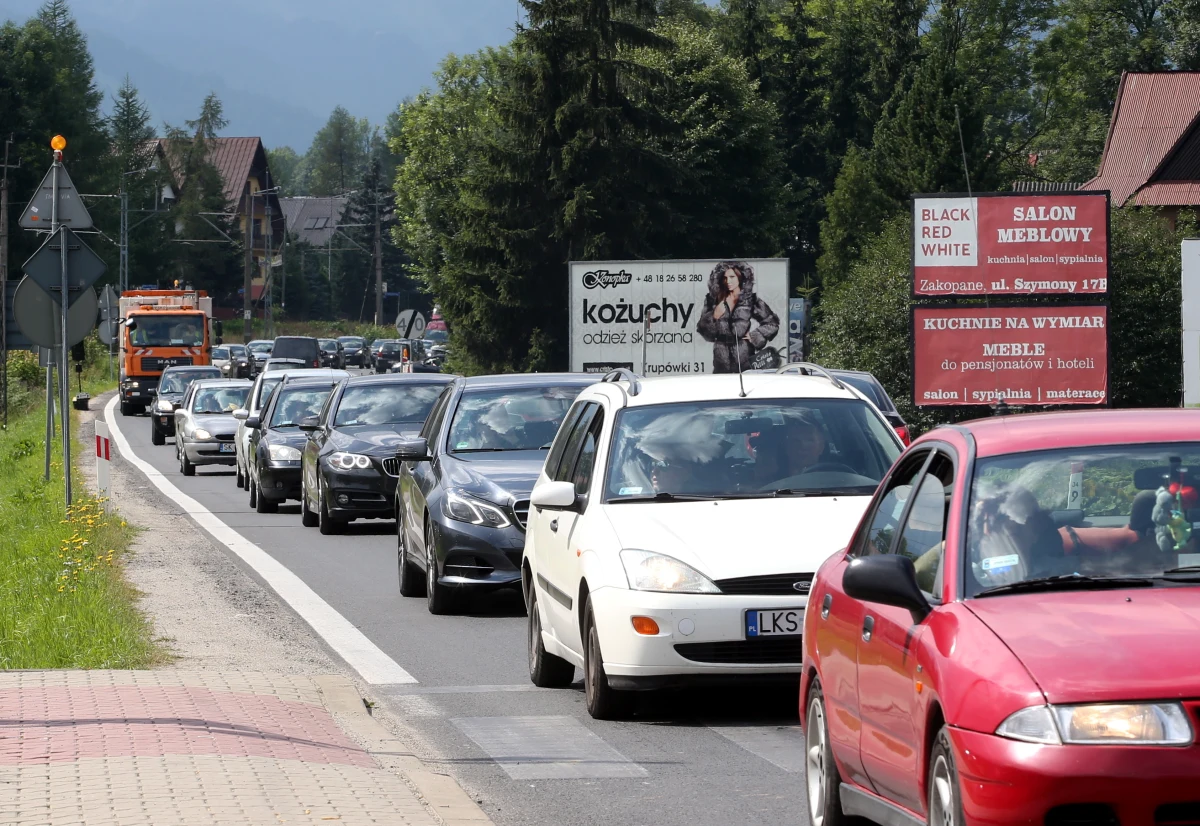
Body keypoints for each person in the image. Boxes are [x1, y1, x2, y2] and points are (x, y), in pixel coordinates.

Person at [696, 261, 780, 374]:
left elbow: (772, 323)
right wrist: (714, 316)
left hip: (744, 356)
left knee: (746, 386)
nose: (728, 281)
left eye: (732, 277)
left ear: (740, 277)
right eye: (725, 278)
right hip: (720, 359)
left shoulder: (750, 300)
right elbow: (703, 330)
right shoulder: (714, 300)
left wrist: (754, 336)